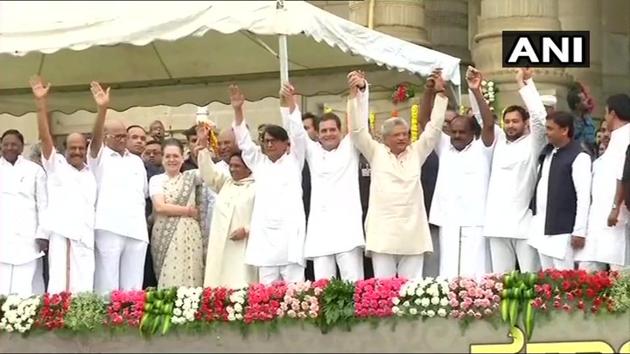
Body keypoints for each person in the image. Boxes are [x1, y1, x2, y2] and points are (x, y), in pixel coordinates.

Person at [348, 69, 448, 280]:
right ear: (385, 138)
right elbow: (357, 131)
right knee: (384, 291)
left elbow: (434, 129)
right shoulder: (375, 152)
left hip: (412, 233)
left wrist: (440, 95)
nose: (402, 138)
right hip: (383, 234)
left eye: (405, 134)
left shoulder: (416, 152)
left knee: (411, 291)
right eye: (397, 135)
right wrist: (358, 93)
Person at [231, 83, 307, 284]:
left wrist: (290, 103)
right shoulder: (259, 163)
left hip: (290, 239)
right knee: (267, 297)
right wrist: (238, 110)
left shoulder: (294, 161)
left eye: (274, 141)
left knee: (296, 294)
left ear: (285, 144)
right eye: (266, 141)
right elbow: (244, 142)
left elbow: (298, 133)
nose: (269, 144)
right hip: (265, 240)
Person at [30, 76, 97, 294]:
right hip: (64, 235)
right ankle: (59, 325)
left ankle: (82, 326)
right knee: (62, 288)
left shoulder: (90, 172)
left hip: (86, 236)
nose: (77, 152)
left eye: (80, 148)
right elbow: (44, 136)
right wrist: (41, 105)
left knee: (85, 286)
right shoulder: (56, 165)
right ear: (64, 149)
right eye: (72, 148)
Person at [429, 66, 496, 280]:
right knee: (448, 274)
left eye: (462, 132)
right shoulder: (444, 147)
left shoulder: (483, 148)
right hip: (449, 220)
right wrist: (430, 92)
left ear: (472, 133)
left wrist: (475, 91)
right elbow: (425, 124)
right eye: (453, 131)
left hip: (476, 221)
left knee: (475, 275)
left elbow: (488, 124)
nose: (456, 135)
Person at [300, 72, 366, 282]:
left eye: (332, 130)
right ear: (317, 134)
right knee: (323, 289)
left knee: (353, 285)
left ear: (340, 131)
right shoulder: (312, 152)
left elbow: (359, 123)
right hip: (321, 230)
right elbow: (295, 131)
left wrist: (357, 92)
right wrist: (289, 105)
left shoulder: (349, 148)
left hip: (347, 229)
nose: (328, 134)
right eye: (324, 130)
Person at [482, 68, 546, 274]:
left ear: (525, 123)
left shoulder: (533, 143)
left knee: (530, 282)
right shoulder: (499, 141)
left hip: (524, 226)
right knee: (500, 283)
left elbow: (539, 118)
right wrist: (475, 91)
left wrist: (525, 85)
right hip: (497, 224)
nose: (510, 125)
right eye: (507, 121)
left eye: (515, 121)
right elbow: (482, 119)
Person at [88, 82, 149, 294]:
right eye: (118, 136)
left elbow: (143, 194)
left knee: (133, 287)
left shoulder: (136, 161)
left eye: (125, 135)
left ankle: (130, 322)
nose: (123, 139)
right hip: (109, 227)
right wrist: (102, 110)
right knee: (108, 285)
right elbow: (95, 140)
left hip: (136, 228)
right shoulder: (99, 155)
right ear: (106, 137)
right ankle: (108, 326)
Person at [528, 111, 592, 270]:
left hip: (563, 231)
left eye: (550, 129)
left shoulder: (579, 156)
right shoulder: (548, 152)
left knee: (564, 281)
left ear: (564, 130)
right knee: (547, 281)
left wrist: (579, 231)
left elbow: (583, 196)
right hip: (542, 227)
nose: (546, 133)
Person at [197, 126, 257, 288]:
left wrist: (247, 230)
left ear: (248, 167)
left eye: (237, 166)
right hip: (221, 244)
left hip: (243, 245)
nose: (232, 169)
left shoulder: (257, 186)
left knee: (241, 282)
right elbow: (208, 174)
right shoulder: (226, 183)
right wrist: (203, 148)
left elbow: (264, 216)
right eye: (231, 166)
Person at [577, 94, 630, 271]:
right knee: (588, 274)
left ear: (612, 113)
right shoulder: (616, 137)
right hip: (599, 220)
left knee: (619, 275)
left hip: (616, 218)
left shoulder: (626, 136)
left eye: (606, 112)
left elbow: (623, 174)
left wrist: (615, 207)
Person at [149, 139, 204, 288]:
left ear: (182, 157)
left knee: (191, 274)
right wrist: (188, 211)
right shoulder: (156, 180)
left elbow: (209, 172)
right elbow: (160, 207)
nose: (171, 160)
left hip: (190, 234)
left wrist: (202, 147)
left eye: (175, 156)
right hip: (164, 234)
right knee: (168, 277)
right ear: (162, 158)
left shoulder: (191, 177)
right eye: (167, 156)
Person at [0, 129, 47, 297]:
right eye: (6, 144)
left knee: (26, 282)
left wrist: (43, 234)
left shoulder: (34, 170)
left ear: (21, 147)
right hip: (3, 235)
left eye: (14, 144)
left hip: (28, 235)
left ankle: (24, 316)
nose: (10, 148)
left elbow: (43, 204)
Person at [142, 139, 164, 289]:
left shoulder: (169, 174)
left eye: (155, 153)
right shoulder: (140, 170)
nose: (151, 156)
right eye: (147, 153)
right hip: (143, 228)